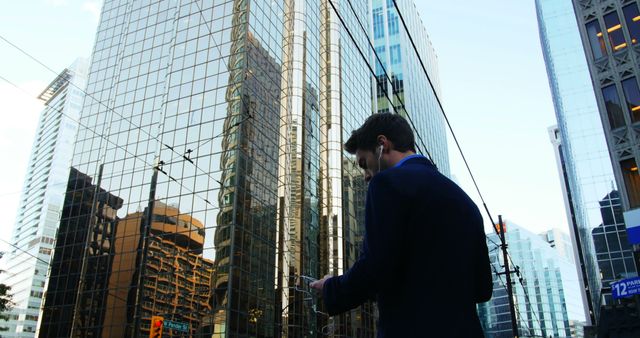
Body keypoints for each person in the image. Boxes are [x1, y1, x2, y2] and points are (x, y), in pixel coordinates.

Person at [310, 113, 492, 337]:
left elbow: (376, 266)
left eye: (364, 164)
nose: (366, 176)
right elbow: (483, 289)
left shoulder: (387, 184)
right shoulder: (467, 204)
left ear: (382, 144)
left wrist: (332, 287)